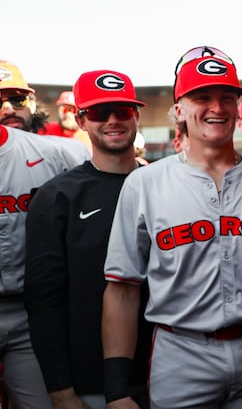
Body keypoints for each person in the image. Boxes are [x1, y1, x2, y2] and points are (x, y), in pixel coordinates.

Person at [101, 46, 242, 409]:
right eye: (202, 97)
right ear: (179, 110)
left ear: (238, 106)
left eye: (226, 97)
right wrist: (116, 389)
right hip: (181, 351)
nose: (217, 108)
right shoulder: (145, 184)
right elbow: (122, 288)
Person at [24, 69, 152, 409]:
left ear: (136, 115)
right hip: (90, 377)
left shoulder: (162, 184)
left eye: (123, 111)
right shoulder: (57, 197)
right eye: (99, 112)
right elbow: (43, 301)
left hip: (168, 368)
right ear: (81, 120)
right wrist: (60, 389)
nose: (113, 120)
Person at [0, 61, 87, 409]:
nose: (9, 107)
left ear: (34, 104)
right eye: (1, 99)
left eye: (18, 98)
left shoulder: (64, 152)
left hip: (32, 314)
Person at [0, 60, 90, 163]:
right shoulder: (51, 130)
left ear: (32, 105)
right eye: (65, 109)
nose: (8, 110)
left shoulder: (70, 152)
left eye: (17, 100)